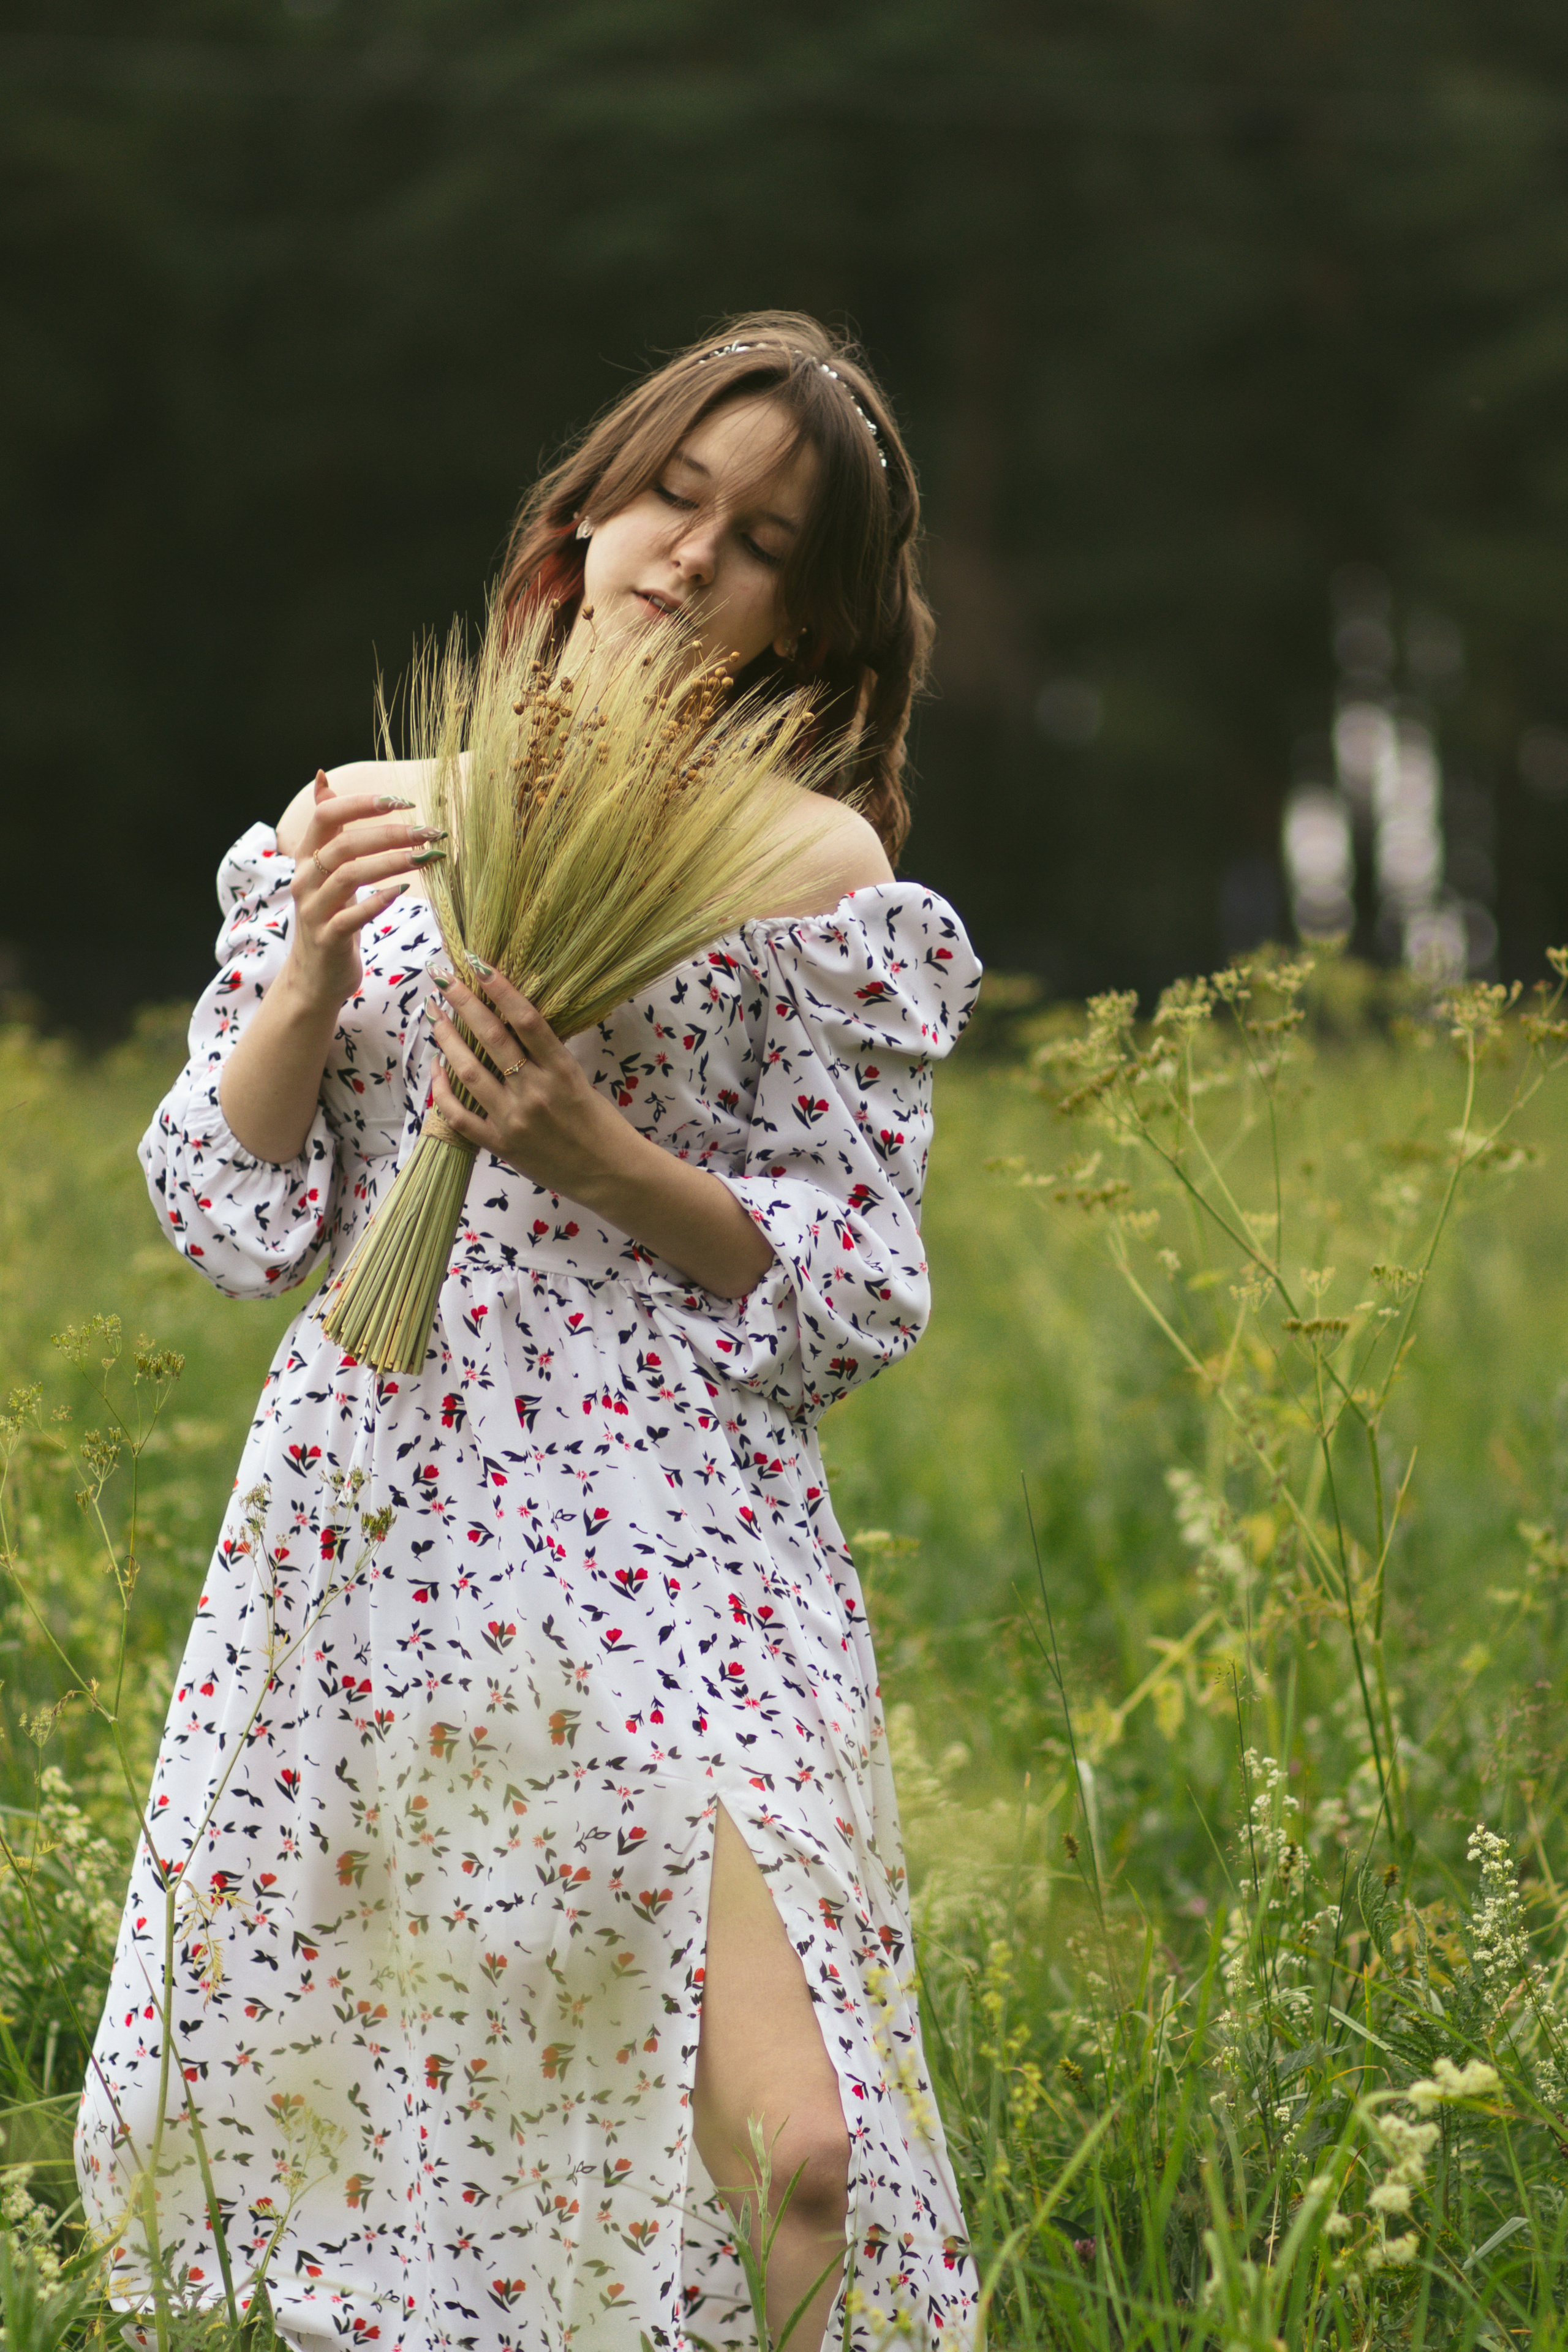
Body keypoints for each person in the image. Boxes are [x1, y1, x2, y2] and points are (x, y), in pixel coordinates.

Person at [77, 312, 982, 2352]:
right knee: (414, 2145)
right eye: (676, 492)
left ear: (802, 617)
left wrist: (592, 1152)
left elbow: (858, 1286)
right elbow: (225, 1221)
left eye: (760, 540)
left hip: (684, 1546)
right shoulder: (356, 817)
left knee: (799, 2147)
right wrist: (310, 979)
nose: (694, 551)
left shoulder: (815, 873)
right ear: (584, 515)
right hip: (380, 1513)